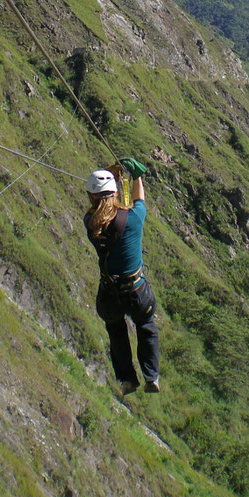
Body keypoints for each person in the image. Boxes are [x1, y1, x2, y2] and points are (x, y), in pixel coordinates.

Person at [84, 157, 160, 395]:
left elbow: (106, 207)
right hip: (136, 290)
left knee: (116, 330)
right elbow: (138, 201)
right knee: (145, 326)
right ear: (114, 192)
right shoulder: (133, 220)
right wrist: (136, 176)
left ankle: (127, 379)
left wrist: (110, 176)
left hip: (110, 294)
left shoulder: (91, 223)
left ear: (91, 198)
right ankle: (151, 376)